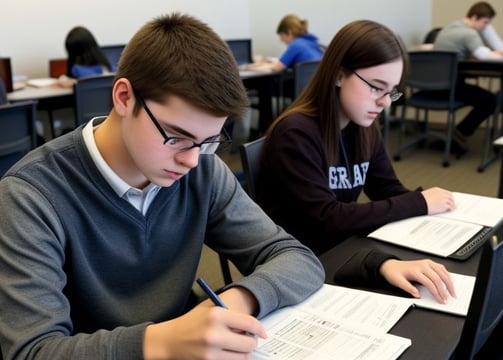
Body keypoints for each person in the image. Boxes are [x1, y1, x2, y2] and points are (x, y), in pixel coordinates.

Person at [0, 13, 325, 359]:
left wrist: (236, 301)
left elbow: (297, 259)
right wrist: (163, 342)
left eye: (210, 141)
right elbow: (33, 352)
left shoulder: (203, 170)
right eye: (177, 137)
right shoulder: (29, 197)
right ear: (124, 98)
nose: (192, 160)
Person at [256, 19, 456, 304]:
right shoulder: (296, 133)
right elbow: (326, 220)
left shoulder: (362, 126)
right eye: (377, 87)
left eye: (391, 91)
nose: (385, 102)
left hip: (342, 246)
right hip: (303, 265)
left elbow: (386, 189)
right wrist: (420, 202)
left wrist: (438, 218)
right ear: (338, 75)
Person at [433, 1, 502, 152]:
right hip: (450, 88)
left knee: (483, 97)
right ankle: (460, 133)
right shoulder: (469, 33)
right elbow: (484, 56)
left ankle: (458, 133)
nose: (486, 27)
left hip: (433, 86)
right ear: (474, 17)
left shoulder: (448, 28)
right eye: (485, 23)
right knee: (490, 100)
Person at [248, 14, 324, 72]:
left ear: (289, 32)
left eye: (281, 35)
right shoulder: (311, 41)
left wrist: (249, 67)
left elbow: (277, 67)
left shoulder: (296, 44)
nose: (281, 40)